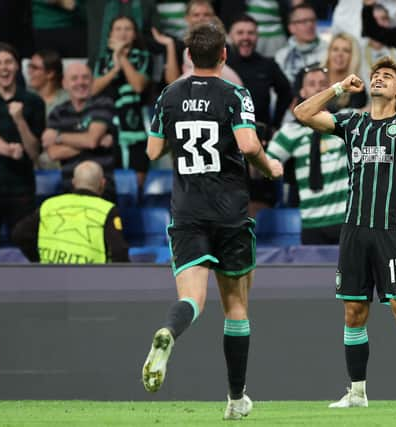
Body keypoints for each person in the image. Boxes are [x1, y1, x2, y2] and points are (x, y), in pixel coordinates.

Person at [141, 19, 283, 420]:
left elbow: (152, 152)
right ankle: (236, 399)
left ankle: (170, 330)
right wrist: (268, 165)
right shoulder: (235, 93)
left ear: (188, 56)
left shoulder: (169, 94)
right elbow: (248, 143)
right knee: (236, 307)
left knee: (192, 298)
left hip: (186, 212)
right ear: (224, 54)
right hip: (230, 213)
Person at [294, 56, 396, 408]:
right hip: (354, 230)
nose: (378, 79)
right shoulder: (353, 123)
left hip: (391, 230)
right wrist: (337, 88)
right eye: (375, 75)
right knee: (353, 311)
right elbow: (302, 113)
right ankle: (357, 392)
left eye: (387, 77)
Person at [267, 66, 349, 244]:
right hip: (311, 223)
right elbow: (265, 163)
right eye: (312, 84)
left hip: (346, 220)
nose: (318, 88)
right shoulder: (290, 131)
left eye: (323, 84)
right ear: (303, 91)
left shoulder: (345, 123)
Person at [227, 13, 292, 216]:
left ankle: (258, 245)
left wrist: (275, 124)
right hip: (227, 144)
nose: (246, 37)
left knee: (260, 201)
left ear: (257, 36)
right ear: (230, 36)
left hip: (259, 142)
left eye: (251, 33)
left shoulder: (268, 64)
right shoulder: (221, 66)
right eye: (240, 32)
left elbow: (287, 92)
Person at [0, 43, 45, 247]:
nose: (4, 68)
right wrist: (8, 150)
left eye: (8, 62)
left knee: (25, 248)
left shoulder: (34, 102)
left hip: (21, 187)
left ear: (17, 66)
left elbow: (35, 153)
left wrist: (19, 120)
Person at [11, 160, 129, 263]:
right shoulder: (107, 210)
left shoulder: (50, 205)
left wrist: (38, 261)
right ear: (103, 183)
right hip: (91, 281)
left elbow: (19, 235)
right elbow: (119, 252)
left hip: (50, 279)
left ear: (74, 182)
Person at [42, 62, 118, 202]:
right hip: (70, 190)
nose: (80, 82)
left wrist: (58, 137)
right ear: (64, 83)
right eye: (74, 78)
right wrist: (94, 142)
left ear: (92, 81)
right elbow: (54, 153)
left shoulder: (103, 104)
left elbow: (92, 140)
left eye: (85, 77)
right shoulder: (58, 113)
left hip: (102, 190)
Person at [92, 15, 152, 187]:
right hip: (108, 126)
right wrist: (114, 69)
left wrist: (122, 57)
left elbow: (138, 86)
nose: (122, 33)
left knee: (137, 181)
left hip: (135, 125)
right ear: (110, 34)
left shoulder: (143, 57)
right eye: (118, 29)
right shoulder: (103, 60)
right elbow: (93, 89)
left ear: (134, 34)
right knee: (109, 182)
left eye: (127, 29)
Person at [151, 0, 243, 86]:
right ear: (187, 18)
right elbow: (172, 82)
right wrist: (170, 45)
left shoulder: (224, 46)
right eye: (196, 15)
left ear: (213, 17)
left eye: (206, 14)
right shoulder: (178, 46)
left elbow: (235, 83)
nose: (201, 18)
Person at [274, 3, 328, 84]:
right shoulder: (281, 56)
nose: (310, 25)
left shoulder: (328, 51)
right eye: (304, 21)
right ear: (291, 27)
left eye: (312, 20)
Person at [323, 33, 367, 112]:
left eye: (346, 51)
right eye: (335, 49)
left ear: (353, 56)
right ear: (329, 52)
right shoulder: (311, 74)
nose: (339, 54)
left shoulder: (357, 87)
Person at [27, 49, 69, 116]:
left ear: (50, 73)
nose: (29, 72)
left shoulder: (67, 100)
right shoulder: (25, 96)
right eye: (29, 67)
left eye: (34, 68)